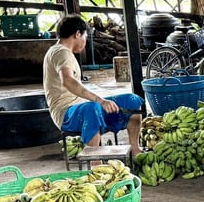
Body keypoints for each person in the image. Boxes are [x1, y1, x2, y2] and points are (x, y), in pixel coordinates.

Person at [43, 13, 143, 155]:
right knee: (93, 108)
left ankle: (135, 149)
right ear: (78, 34)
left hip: (80, 106)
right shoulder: (61, 52)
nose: (85, 41)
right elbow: (68, 81)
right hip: (66, 113)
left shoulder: (63, 52)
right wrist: (100, 99)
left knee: (131, 100)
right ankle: (96, 162)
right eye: (85, 36)